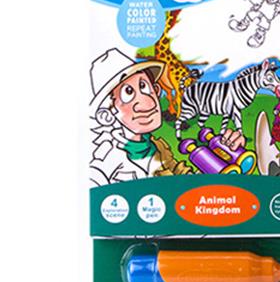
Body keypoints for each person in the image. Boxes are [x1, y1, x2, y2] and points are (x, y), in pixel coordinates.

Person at [89, 48, 245, 186]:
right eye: (128, 93)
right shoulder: (106, 159)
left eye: (144, 86)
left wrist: (223, 158)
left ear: (156, 90)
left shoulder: (158, 147)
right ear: (106, 115)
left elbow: (187, 180)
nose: (148, 102)